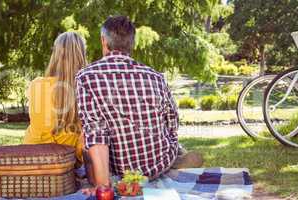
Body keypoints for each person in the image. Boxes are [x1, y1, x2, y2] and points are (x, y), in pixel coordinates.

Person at [77, 16, 203, 195]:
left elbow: (96, 134)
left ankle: (116, 177)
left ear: (104, 41)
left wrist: (103, 187)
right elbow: (172, 121)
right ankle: (174, 161)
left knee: (86, 149)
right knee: (173, 145)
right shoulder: (155, 76)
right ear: (132, 44)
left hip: (121, 170)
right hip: (159, 161)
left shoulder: (86, 77)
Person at [23, 32, 87, 166]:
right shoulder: (86, 89)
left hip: (31, 159)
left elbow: (39, 124)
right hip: (66, 163)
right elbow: (84, 142)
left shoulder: (37, 85)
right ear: (82, 56)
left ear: (55, 56)